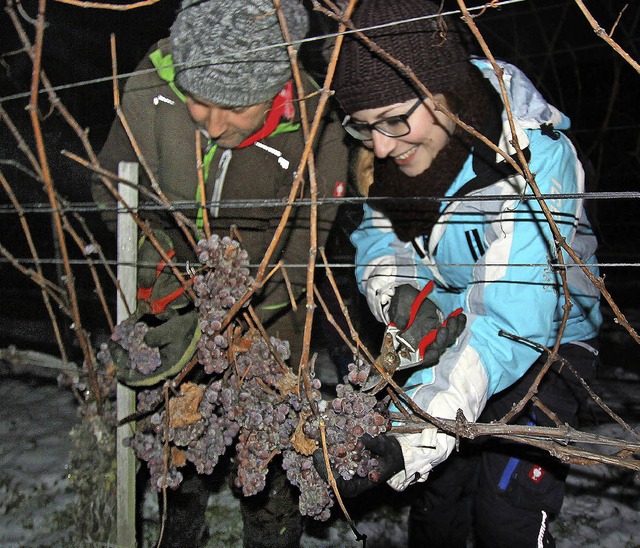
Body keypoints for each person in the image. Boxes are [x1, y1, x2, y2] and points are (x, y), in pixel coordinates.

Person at [323, 1, 602, 546]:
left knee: (507, 509)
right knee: (438, 502)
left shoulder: (530, 157)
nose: (381, 145)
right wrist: (400, 292)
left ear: (443, 91)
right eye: (363, 128)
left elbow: (511, 318)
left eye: (395, 120)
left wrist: (413, 429)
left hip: (549, 342)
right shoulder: (398, 157)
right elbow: (378, 238)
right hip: (456, 338)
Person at [93, 0, 349, 546]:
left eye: (235, 107)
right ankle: (176, 532)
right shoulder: (152, 90)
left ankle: (271, 531)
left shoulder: (315, 125)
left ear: (277, 87)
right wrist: (165, 280)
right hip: (167, 307)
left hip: (266, 319)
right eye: (199, 102)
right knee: (171, 447)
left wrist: (246, 308)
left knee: (270, 450)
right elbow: (113, 189)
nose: (212, 124)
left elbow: (308, 239)